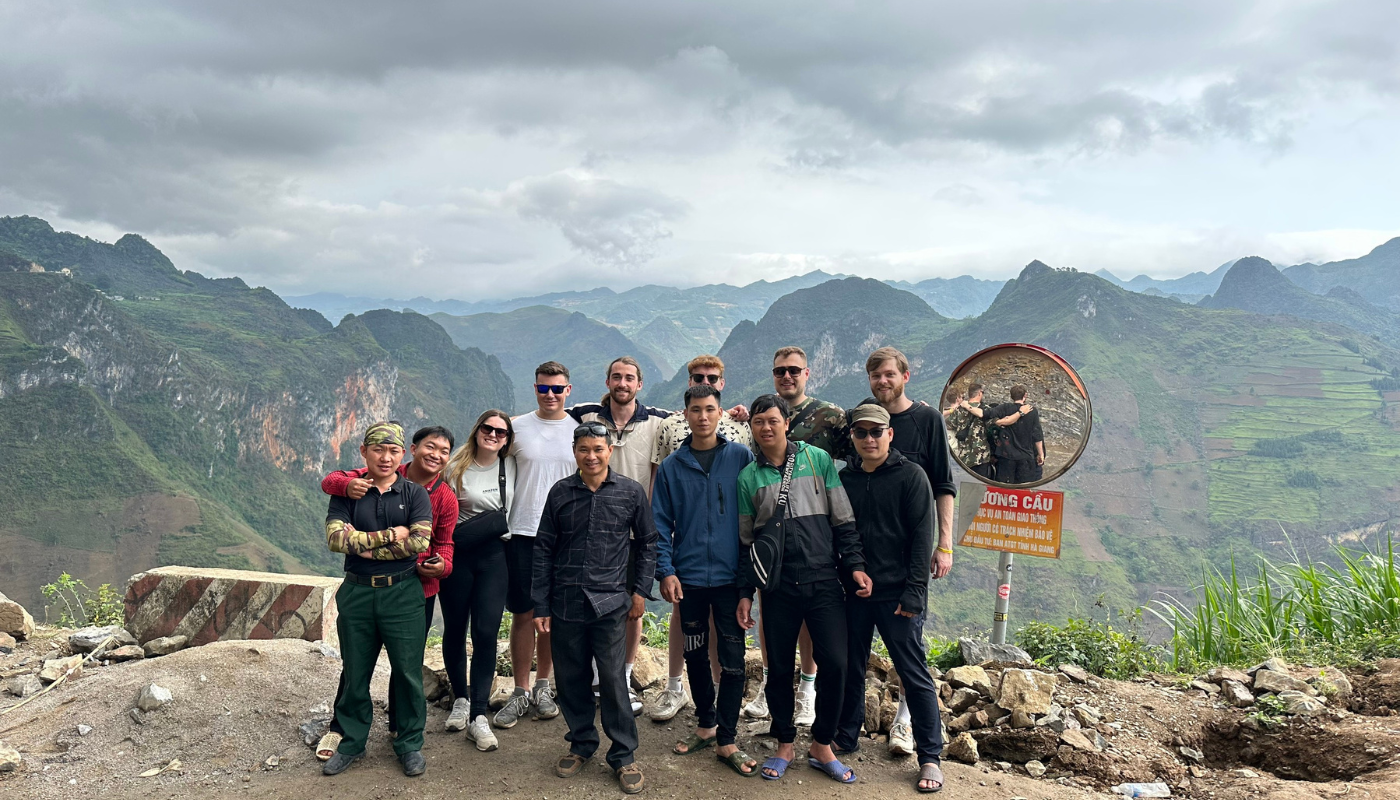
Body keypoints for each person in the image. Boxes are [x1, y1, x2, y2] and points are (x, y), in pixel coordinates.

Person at [736, 395, 872, 784]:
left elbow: (843, 520)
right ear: (753, 428)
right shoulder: (749, 478)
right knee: (778, 667)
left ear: (785, 422)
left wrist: (857, 566)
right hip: (777, 587)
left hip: (824, 578)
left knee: (838, 663)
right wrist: (746, 593)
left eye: (773, 420)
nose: (766, 427)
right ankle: (783, 743)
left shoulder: (817, 460)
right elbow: (746, 543)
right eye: (758, 421)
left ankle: (822, 744)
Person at [315, 426, 457, 761]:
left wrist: (362, 544)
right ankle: (350, 741)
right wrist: (392, 535)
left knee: (408, 672)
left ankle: (408, 743)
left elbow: (420, 543)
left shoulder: (415, 494)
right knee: (355, 669)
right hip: (358, 591)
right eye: (379, 450)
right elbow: (336, 539)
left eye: (393, 452)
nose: (386, 457)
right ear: (364, 452)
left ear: (402, 455)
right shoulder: (349, 492)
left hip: (403, 592)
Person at [533, 422, 657, 795]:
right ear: (575, 451)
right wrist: (540, 602)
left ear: (610, 451)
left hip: (610, 602)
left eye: (598, 449)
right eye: (584, 449)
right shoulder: (560, 494)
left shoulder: (630, 493)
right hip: (566, 600)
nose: (591, 456)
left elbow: (648, 543)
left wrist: (639, 593)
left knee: (614, 680)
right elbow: (543, 549)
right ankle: (581, 743)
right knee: (570, 678)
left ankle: (623, 754)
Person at [835, 404, 945, 793]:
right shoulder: (845, 479)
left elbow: (921, 539)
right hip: (856, 591)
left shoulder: (912, 476)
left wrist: (915, 592)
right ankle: (846, 736)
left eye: (876, 432)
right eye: (861, 433)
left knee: (913, 674)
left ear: (890, 434)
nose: (869, 439)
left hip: (899, 594)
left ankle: (930, 756)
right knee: (851, 667)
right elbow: (842, 535)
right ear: (852, 436)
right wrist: (850, 574)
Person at [652, 384, 758, 776]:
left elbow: (752, 523)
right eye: (695, 410)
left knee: (732, 661)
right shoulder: (671, 468)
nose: (702, 416)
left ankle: (727, 739)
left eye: (709, 409)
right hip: (690, 577)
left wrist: (748, 584)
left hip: (732, 578)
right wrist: (666, 570)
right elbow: (660, 524)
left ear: (720, 414)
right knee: (695, 655)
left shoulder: (740, 458)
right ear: (686, 415)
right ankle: (706, 725)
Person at [863, 346, 957, 756]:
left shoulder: (927, 420)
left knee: (909, 649)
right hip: (867, 563)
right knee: (857, 652)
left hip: (910, 562)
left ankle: (907, 726)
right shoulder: (866, 418)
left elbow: (944, 485)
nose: (882, 382)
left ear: (905, 375)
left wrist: (945, 545)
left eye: (888, 374)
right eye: (875, 375)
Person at [568, 356, 673, 715]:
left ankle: (623, 677)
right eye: (616, 377)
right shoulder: (584, 414)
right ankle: (594, 677)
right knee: (589, 599)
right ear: (608, 380)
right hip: (593, 527)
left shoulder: (659, 419)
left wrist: (733, 414)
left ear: (639, 384)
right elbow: (544, 417)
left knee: (632, 606)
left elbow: (700, 419)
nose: (622, 383)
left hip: (636, 528)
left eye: (629, 378)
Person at [757, 345, 848, 726]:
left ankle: (807, 690)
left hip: (815, 532)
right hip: (772, 535)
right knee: (770, 611)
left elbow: (858, 456)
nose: (787, 377)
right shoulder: (763, 415)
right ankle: (770, 685)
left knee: (812, 619)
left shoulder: (830, 416)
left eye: (794, 370)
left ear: (807, 373)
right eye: (780, 371)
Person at [495, 361, 576, 728]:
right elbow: (480, 459)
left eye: (557, 389)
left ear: (568, 391)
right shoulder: (516, 427)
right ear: (535, 388)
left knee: (555, 614)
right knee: (524, 612)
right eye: (544, 388)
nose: (550, 395)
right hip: (523, 530)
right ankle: (521, 689)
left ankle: (544, 684)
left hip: (566, 534)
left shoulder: (578, 428)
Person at [439, 410, 516, 752]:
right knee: (455, 629)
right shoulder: (455, 466)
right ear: (477, 430)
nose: (494, 435)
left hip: (494, 557)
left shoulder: (512, 466)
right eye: (488, 428)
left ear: (507, 439)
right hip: (458, 555)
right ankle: (460, 698)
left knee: (486, 632)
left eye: (501, 432)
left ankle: (479, 715)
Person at [988, 384, 1045, 484]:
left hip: (1006, 457)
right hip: (1026, 457)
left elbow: (988, 415)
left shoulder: (1004, 408)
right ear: (1025, 395)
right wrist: (1041, 454)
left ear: (1011, 396)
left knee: (1004, 488)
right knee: (1024, 489)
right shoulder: (1032, 411)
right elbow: (1037, 435)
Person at [945, 383, 994, 479]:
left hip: (963, 456)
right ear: (979, 393)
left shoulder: (959, 410)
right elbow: (992, 429)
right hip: (981, 456)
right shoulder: (985, 410)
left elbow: (949, 425)